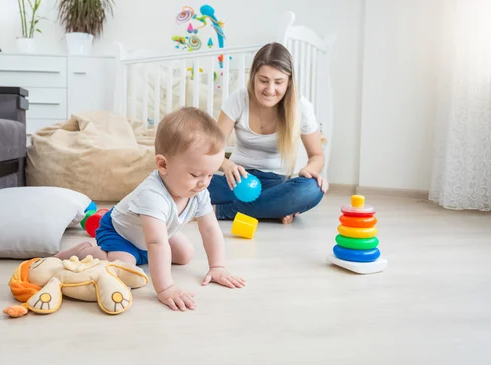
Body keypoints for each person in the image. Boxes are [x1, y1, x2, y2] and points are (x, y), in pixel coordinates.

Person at [54, 107, 245, 312]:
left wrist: (217, 267)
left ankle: (141, 256)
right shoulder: (152, 195)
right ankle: (86, 250)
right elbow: (156, 243)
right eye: (196, 174)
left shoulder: (198, 191)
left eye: (209, 175)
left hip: (153, 234)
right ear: (163, 165)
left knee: (185, 254)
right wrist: (166, 288)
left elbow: (209, 229)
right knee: (124, 268)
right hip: (120, 233)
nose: (204, 183)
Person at [208, 42, 327, 224]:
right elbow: (210, 150)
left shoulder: (301, 107)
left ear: (288, 82)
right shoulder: (238, 99)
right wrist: (226, 165)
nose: (270, 90)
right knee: (190, 183)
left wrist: (308, 170)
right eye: (263, 81)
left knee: (312, 189)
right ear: (253, 77)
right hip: (238, 181)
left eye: (278, 82)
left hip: (276, 185)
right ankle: (271, 209)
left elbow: (317, 155)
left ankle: (221, 211)